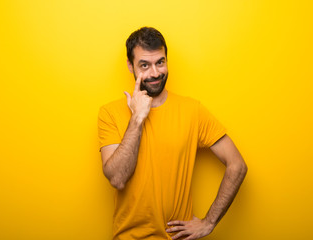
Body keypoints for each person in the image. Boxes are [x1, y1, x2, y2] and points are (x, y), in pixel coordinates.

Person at [98, 27, 248, 240]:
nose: (155, 73)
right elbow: (118, 178)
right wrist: (137, 118)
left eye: (160, 62)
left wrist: (209, 222)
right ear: (130, 66)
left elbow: (237, 165)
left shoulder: (192, 110)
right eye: (144, 65)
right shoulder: (109, 113)